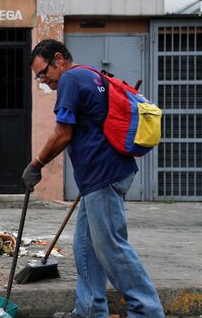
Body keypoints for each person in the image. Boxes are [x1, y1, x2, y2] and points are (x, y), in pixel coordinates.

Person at [23, 39, 164, 318]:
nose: (43, 79)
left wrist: (36, 164)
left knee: (111, 247)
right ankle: (89, 310)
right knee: (85, 247)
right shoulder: (89, 74)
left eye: (43, 72)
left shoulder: (71, 79)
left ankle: (148, 311)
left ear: (60, 59)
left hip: (105, 174)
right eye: (38, 76)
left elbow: (63, 132)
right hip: (98, 177)